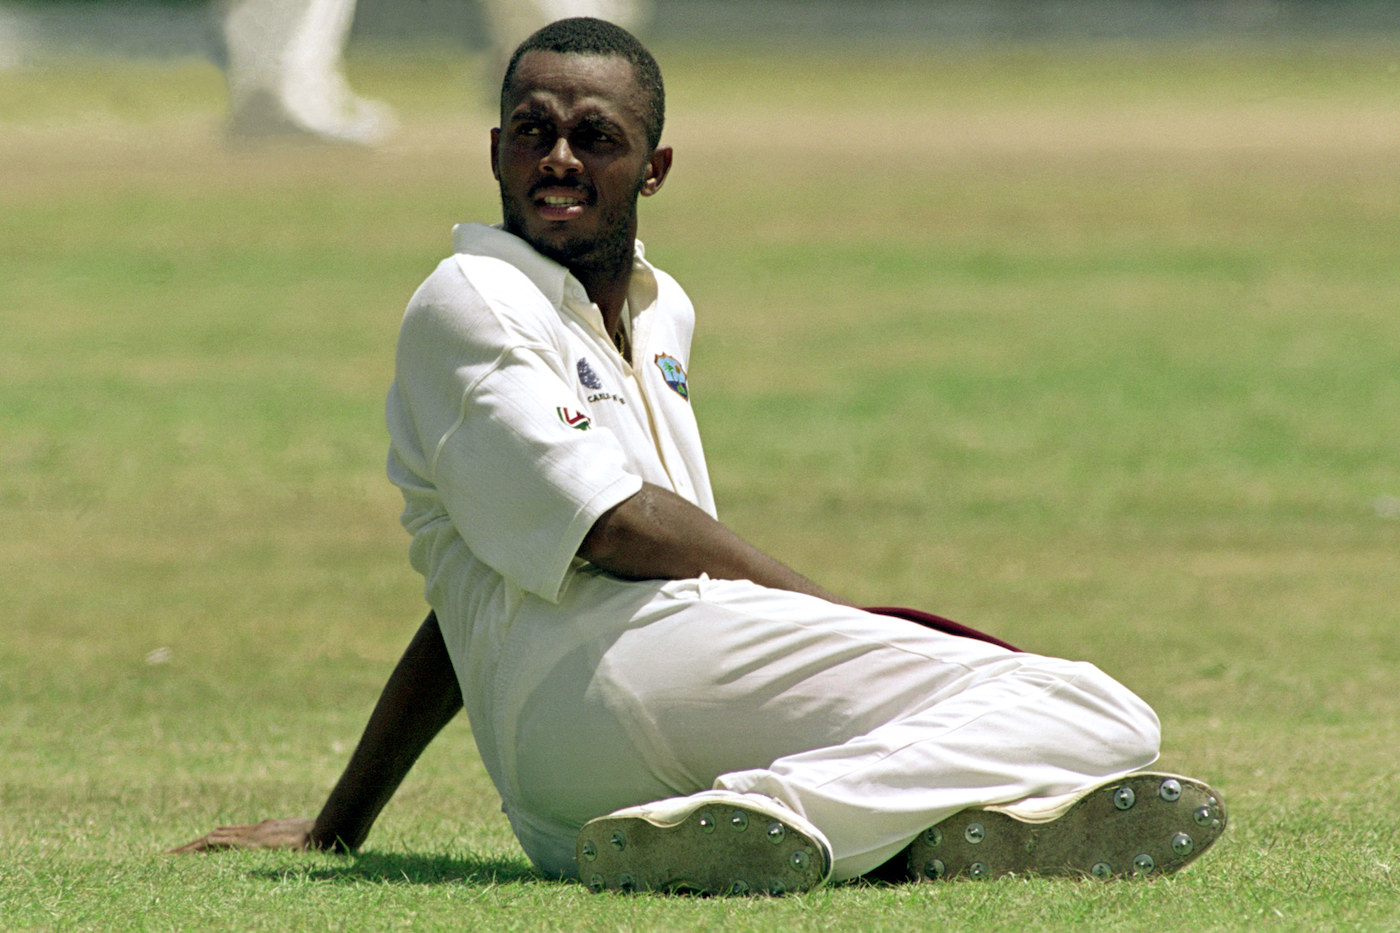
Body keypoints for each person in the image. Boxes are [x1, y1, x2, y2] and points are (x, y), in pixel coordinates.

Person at [172, 17, 1227, 894]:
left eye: (595, 136)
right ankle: (799, 812)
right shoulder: (471, 299)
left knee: (1078, 720)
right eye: (532, 132)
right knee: (1092, 709)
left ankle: (873, 838)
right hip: (601, 685)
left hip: (582, 801)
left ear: (655, 166)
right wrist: (832, 615)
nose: (558, 159)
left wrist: (341, 821)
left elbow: (472, 590)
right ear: (494, 149)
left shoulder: (661, 308)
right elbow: (612, 527)